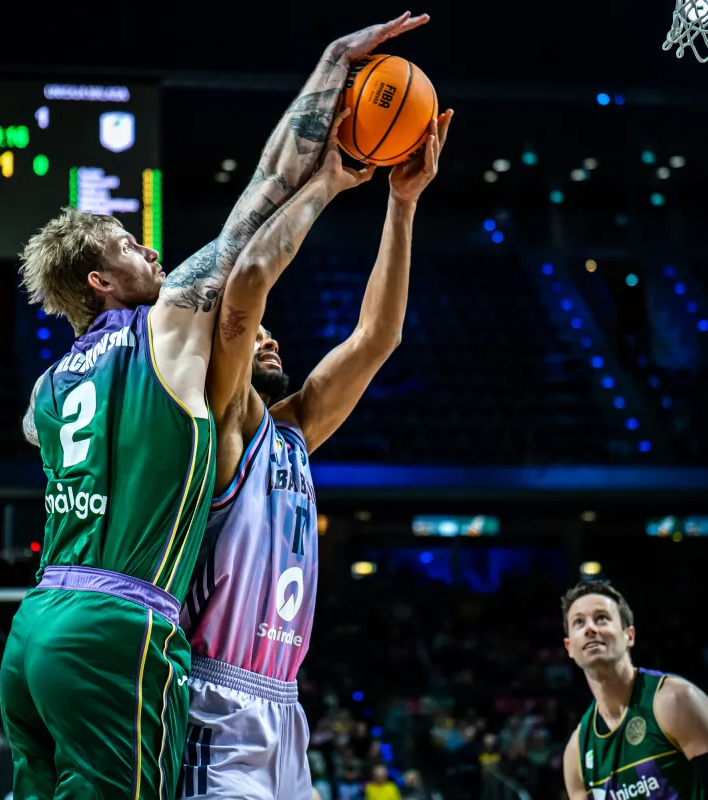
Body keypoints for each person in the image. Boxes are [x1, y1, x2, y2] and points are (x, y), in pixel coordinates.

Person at [0, 12, 432, 800]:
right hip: (156, 652)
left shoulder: (53, 387)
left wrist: (402, 205)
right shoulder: (184, 352)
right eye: (130, 246)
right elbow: (254, 231)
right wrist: (331, 131)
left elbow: (376, 339)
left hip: (55, 627)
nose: (152, 250)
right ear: (101, 282)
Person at [178, 97, 451, 798]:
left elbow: (377, 337)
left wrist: (403, 203)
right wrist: (326, 180)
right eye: (257, 336)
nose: (270, 338)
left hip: (285, 705)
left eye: (272, 335)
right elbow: (246, 288)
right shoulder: (222, 423)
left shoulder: (294, 430)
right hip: (214, 703)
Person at [560, 580, 708, 800]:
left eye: (602, 618)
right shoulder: (576, 753)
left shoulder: (677, 700)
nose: (590, 629)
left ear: (629, 635)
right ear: (569, 647)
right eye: (579, 622)